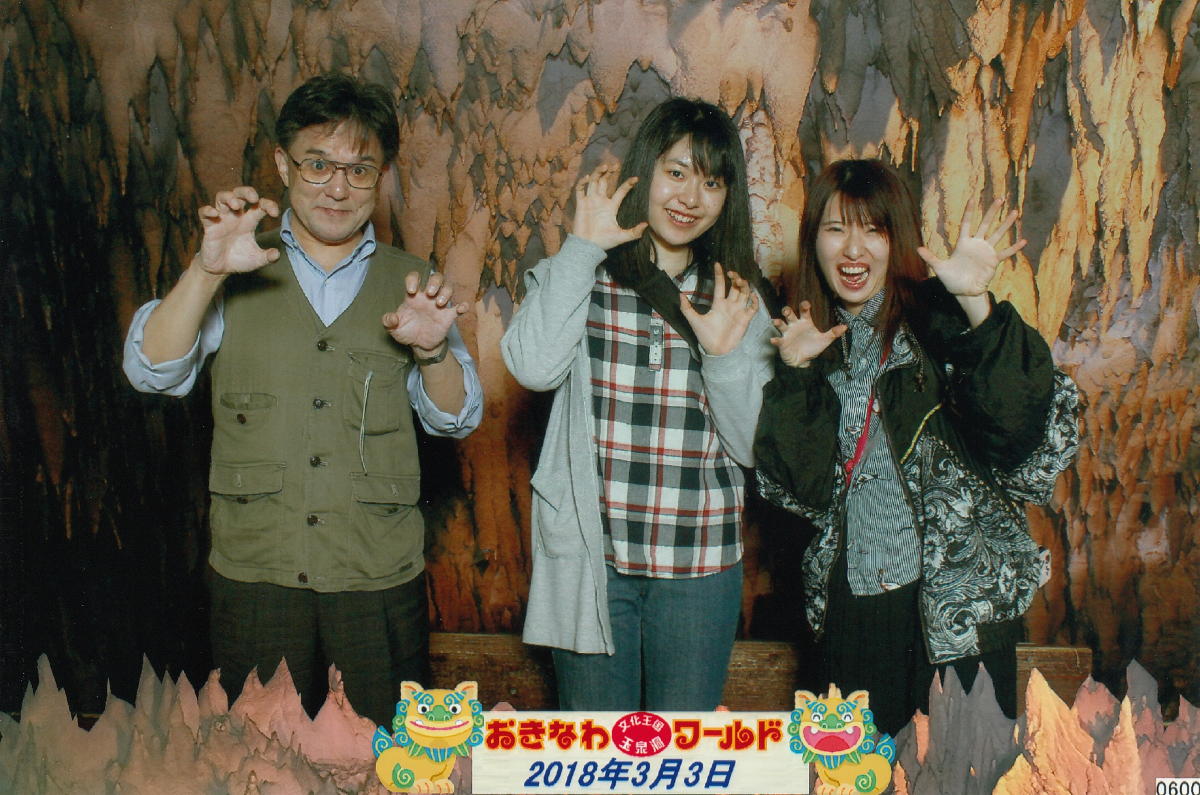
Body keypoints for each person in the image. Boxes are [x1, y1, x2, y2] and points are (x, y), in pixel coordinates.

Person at [122, 73, 482, 725]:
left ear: (381, 177)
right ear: (283, 165)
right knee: (256, 758)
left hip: (375, 577)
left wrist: (433, 352)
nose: (337, 188)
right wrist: (205, 269)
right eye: (318, 165)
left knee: (387, 757)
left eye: (359, 170)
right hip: (256, 575)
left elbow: (455, 416)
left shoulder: (414, 282)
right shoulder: (233, 266)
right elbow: (152, 371)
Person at [753, 159, 1079, 734]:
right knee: (853, 770)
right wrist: (798, 374)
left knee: (961, 770)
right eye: (835, 229)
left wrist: (976, 304)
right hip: (852, 609)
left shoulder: (942, 323)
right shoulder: (808, 340)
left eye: (873, 230)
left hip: (957, 611)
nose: (853, 250)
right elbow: (799, 491)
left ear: (896, 238)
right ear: (814, 242)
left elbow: (1018, 427)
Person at [500, 98, 776, 711]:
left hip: (700, 561)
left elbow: (754, 446)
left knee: (684, 751)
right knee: (597, 752)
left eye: (712, 182)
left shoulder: (738, 297)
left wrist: (724, 357)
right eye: (676, 172)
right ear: (645, 170)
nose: (690, 198)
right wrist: (580, 249)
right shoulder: (582, 275)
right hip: (593, 560)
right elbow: (532, 367)